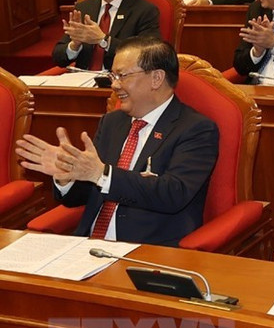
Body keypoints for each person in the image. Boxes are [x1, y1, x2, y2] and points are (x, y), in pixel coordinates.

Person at [17, 36, 220, 246]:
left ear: (157, 78)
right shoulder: (112, 122)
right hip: (88, 246)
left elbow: (173, 194)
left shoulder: (195, 129)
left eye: (122, 75)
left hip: (148, 251)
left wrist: (101, 174)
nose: (114, 84)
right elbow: (86, 192)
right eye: (113, 75)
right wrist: (67, 176)